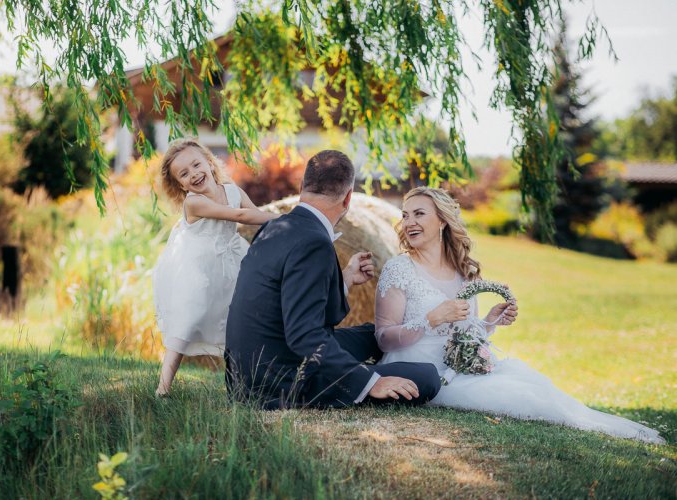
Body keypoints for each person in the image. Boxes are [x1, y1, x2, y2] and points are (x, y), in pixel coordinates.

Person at [375, 186, 665, 443]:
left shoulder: (462, 272)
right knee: (520, 398)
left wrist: (490, 321)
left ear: (442, 221)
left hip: (461, 365)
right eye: (406, 215)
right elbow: (384, 339)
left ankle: (612, 429)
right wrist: (432, 318)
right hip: (421, 370)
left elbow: (464, 333)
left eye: (419, 214)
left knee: (535, 384)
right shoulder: (399, 269)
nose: (409, 222)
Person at [225, 150, 442, 410]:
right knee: (427, 378)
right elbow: (305, 335)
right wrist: (370, 381)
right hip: (281, 382)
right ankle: (372, 373)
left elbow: (307, 309)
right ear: (348, 197)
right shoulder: (314, 241)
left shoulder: (276, 228)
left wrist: (346, 278)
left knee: (376, 335)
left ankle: (377, 363)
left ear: (302, 186)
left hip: (249, 371)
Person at [152, 138, 279, 396]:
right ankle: (163, 387)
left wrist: (281, 229)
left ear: (210, 163)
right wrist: (285, 217)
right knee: (189, 317)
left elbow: (254, 215)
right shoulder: (193, 202)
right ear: (179, 185)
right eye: (184, 174)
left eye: (197, 165)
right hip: (197, 263)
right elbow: (240, 216)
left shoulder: (232, 191)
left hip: (230, 257)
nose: (194, 175)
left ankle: (242, 380)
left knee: (235, 316)